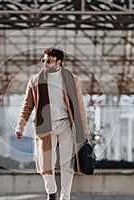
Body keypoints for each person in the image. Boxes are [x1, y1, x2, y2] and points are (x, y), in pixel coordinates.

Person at [15, 47, 90, 200]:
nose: (45, 64)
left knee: (66, 164)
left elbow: (79, 105)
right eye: (44, 61)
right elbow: (27, 106)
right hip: (45, 126)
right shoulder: (35, 80)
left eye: (49, 61)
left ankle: (65, 197)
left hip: (66, 125)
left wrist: (85, 128)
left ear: (59, 62)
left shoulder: (71, 79)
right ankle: (52, 192)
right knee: (45, 164)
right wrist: (20, 126)